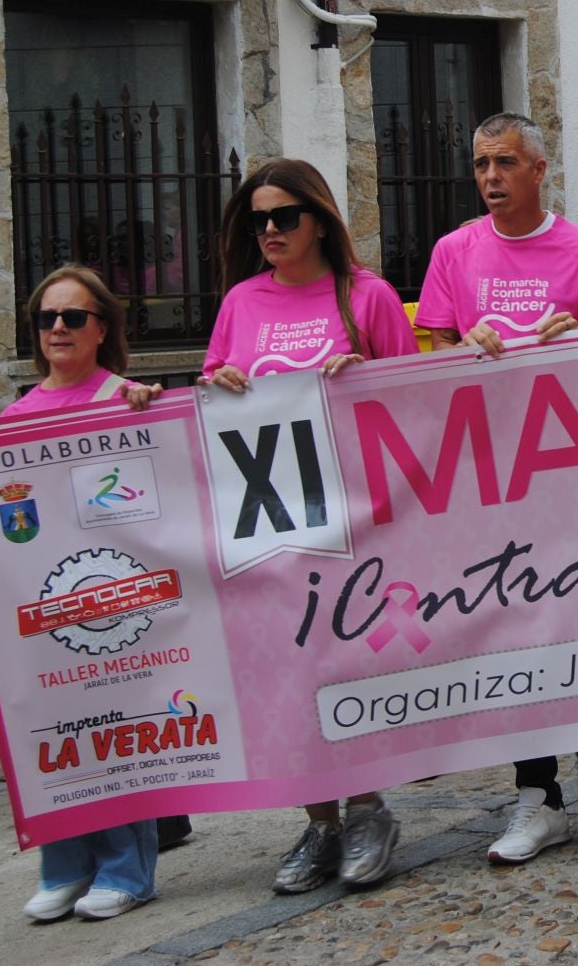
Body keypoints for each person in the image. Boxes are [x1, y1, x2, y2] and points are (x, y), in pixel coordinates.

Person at [414, 113, 578, 864]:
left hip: (570, 467)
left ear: (540, 168)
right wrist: (461, 345)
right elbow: (437, 344)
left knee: (576, 616)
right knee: (512, 629)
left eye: (504, 162)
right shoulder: (453, 251)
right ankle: (536, 793)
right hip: (491, 471)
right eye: (479, 164)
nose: (490, 177)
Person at [0, 267, 164, 922]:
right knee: (52, 730)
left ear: (102, 327)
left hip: (116, 603)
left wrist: (156, 411)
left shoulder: (125, 395)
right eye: (46, 318)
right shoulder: (14, 416)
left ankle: (126, 869)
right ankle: (64, 865)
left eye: (73, 316)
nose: (58, 327)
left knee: (116, 733)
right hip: (43, 605)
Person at [203, 158, 419, 893]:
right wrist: (219, 386)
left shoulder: (370, 297)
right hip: (269, 526)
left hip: (355, 524)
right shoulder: (240, 303)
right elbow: (211, 397)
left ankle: (368, 809)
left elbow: (418, 403)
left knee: (347, 666)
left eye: (284, 216)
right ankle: (319, 819)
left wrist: (369, 380)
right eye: (257, 218)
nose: (268, 229)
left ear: (319, 220)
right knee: (289, 677)